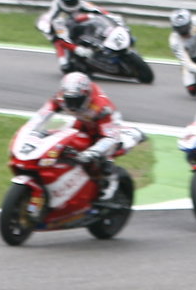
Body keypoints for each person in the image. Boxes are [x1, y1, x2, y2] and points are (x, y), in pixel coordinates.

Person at [21, 73, 141, 202]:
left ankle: (110, 186)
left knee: (104, 156)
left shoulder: (101, 107)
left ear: (87, 95)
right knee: (59, 141)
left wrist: (92, 152)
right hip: (82, 122)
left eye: (76, 100)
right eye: (69, 99)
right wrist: (30, 130)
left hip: (107, 128)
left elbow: (110, 137)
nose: (72, 104)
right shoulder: (61, 97)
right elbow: (42, 114)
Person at [37, 0, 105, 71]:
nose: (72, 3)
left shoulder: (80, 3)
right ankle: (64, 61)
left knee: (92, 19)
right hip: (57, 28)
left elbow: (96, 9)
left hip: (72, 22)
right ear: (61, 0)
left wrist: (110, 16)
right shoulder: (56, 13)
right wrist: (77, 49)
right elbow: (62, 37)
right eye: (69, 2)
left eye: (74, 1)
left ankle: (97, 43)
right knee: (58, 42)